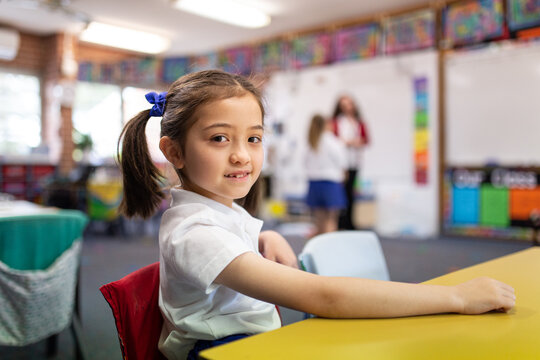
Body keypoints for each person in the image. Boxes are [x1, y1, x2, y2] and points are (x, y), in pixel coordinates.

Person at [118, 70, 515, 360]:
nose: (242, 154)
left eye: (253, 138)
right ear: (174, 153)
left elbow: (222, 246)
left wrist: (261, 239)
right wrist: (455, 296)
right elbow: (324, 295)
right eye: (220, 138)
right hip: (221, 350)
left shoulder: (216, 210)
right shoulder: (194, 232)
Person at [331, 95, 369, 230]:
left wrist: (356, 142)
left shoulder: (359, 122)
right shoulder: (336, 122)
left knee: (351, 193)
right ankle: (340, 222)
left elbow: (366, 139)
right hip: (340, 164)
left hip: (354, 162)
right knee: (340, 193)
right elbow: (332, 140)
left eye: (349, 104)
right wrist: (346, 142)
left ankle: (349, 222)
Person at [305, 114, 347, 235]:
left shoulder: (311, 142)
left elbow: (305, 163)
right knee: (331, 219)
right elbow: (342, 161)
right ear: (326, 125)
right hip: (330, 183)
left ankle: (319, 248)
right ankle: (329, 248)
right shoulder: (332, 141)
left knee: (319, 220)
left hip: (314, 183)